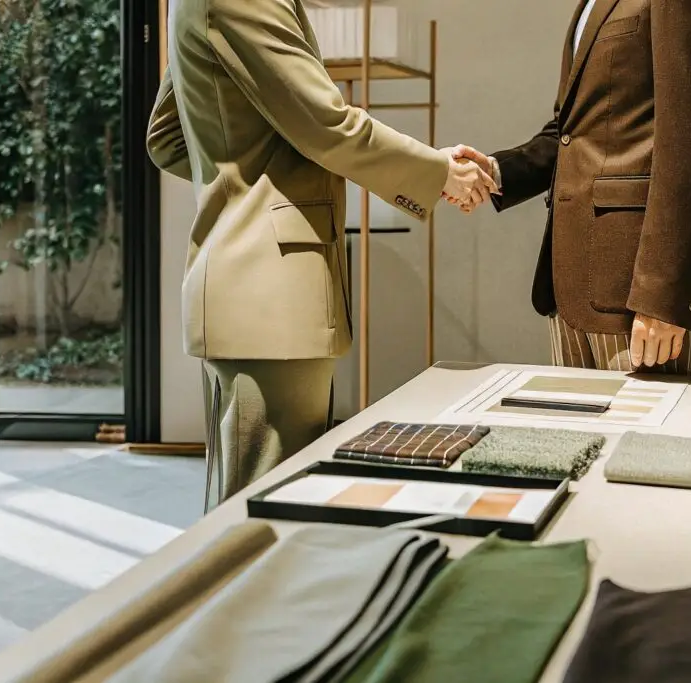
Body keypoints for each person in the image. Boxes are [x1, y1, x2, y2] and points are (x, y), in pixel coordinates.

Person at [147, 0, 496, 511]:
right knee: (264, 510)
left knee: (248, 503)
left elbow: (168, 139)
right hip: (272, 289)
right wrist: (438, 172)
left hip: (240, 283)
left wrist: (241, 181)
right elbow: (323, 125)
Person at [450, 0, 691, 374]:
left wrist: (664, 295)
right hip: (572, 281)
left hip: (638, 293)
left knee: (644, 432)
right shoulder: (590, 6)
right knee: (575, 432)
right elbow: (572, 131)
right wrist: (498, 171)